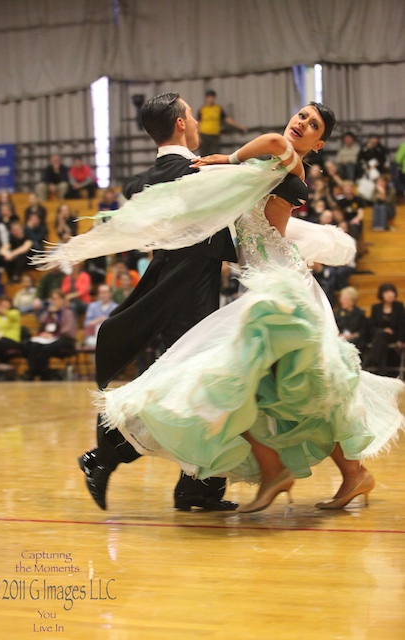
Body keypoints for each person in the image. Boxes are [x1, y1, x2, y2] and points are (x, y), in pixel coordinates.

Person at [33, 102, 405, 513]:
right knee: (285, 388)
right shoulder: (267, 168)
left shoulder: (284, 157)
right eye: (301, 115)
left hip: (281, 286)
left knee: (260, 381)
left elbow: (273, 141)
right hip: (263, 282)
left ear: (318, 144)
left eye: (312, 124)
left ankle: (292, 473)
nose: (301, 123)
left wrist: (227, 158)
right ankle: (322, 473)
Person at [61, 92, 238, 512]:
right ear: (180, 124)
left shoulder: (142, 182)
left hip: (174, 292)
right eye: (191, 114)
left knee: (201, 394)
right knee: (192, 392)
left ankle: (199, 485)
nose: (195, 120)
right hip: (189, 297)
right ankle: (104, 456)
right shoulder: (197, 173)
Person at [26, 289, 76, 380]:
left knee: (46, 348)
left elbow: (67, 329)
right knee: (34, 346)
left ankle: (44, 373)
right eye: (53, 299)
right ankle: (32, 372)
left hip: (64, 339)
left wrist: (54, 335)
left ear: (62, 300)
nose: (54, 301)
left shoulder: (67, 312)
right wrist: (49, 312)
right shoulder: (50, 312)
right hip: (48, 338)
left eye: (56, 299)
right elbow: (41, 321)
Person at [364, 283, 405, 376]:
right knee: (382, 339)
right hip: (381, 337)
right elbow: (371, 326)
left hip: (394, 335)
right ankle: (382, 371)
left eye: (392, 292)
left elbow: (402, 325)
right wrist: (382, 331)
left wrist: (400, 340)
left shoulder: (399, 306)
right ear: (382, 294)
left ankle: (370, 360)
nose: (391, 294)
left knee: (381, 337)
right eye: (387, 292)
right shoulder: (376, 307)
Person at [198, 90, 247, 156]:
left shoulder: (218, 108)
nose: (210, 99)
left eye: (212, 97)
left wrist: (240, 126)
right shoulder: (202, 109)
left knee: (215, 153)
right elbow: (198, 123)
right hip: (204, 134)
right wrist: (198, 136)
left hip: (214, 134)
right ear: (206, 98)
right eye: (209, 97)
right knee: (204, 153)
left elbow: (227, 119)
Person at [334, 286, 368, 354]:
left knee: (352, 343)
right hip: (340, 338)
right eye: (341, 298)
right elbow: (334, 327)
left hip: (354, 340)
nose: (341, 301)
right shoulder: (338, 313)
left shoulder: (360, 313)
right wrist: (340, 335)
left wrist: (351, 336)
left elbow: (363, 331)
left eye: (345, 299)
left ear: (352, 301)